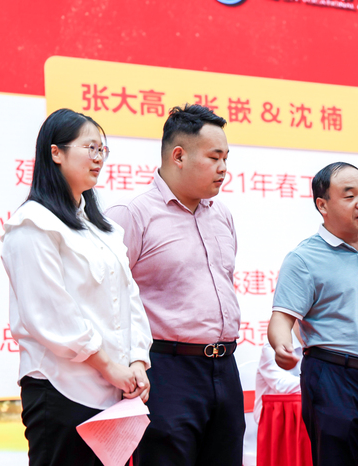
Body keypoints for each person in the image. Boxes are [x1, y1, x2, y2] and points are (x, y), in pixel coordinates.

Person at [0, 109, 152, 466]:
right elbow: (51, 314)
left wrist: (137, 361)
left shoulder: (102, 228)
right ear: (56, 152)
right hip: (61, 390)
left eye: (103, 150)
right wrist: (109, 366)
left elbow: (130, 299)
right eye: (90, 148)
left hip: (114, 393)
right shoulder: (32, 225)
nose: (99, 158)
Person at [106, 104, 244, 465]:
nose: (224, 168)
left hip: (225, 367)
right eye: (214, 157)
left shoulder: (222, 215)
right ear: (178, 156)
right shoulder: (132, 215)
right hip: (166, 370)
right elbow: (106, 301)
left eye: (226, 158)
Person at [267, 162, 358, 466]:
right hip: (334, 380)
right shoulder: (304, 258)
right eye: (349, 196)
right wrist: (281, 344)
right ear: (322, 205)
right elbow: (282, 318)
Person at [253, 322, 304, 425]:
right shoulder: (274, 346)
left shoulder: (319, 348)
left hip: (304, 417)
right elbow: (282, 385)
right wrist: (321, 384)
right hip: (274, 422)